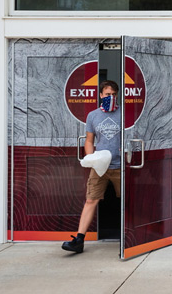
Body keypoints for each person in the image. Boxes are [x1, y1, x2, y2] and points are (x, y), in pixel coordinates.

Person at [62, 80, 121, 253]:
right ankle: (79, 240)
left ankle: (130, 240)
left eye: (114, 94)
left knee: (126, 201)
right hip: (100, 166)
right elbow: (89, 140)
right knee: (91, 200)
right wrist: (91, 158)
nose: (111, 97)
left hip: (120, 165)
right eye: (107, 94)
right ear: (101, 95)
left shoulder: (124, 113)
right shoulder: (93, 116)